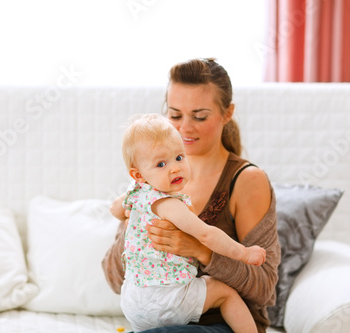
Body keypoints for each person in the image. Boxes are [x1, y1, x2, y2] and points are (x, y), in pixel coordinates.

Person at [102, 58, 281, 333]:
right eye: (174, 115)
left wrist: (200, 250)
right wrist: (134, 227)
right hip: (160, 318)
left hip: (221, 323)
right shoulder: (149, 183)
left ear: (227, 113)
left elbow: (265, 288)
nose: (184, 128)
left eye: (199, 116)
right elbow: (114, 280)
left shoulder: (246, 181)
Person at [115, 113, 266, 332]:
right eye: (161, 164)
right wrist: (244, 253)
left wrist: (125, 214)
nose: (175, 168)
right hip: (167, 300)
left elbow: (113, 208)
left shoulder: (135, 193)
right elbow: (206, 235)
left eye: (179, 157)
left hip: (133, 300)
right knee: (224, 293)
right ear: (138, 174)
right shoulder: (170, 204)